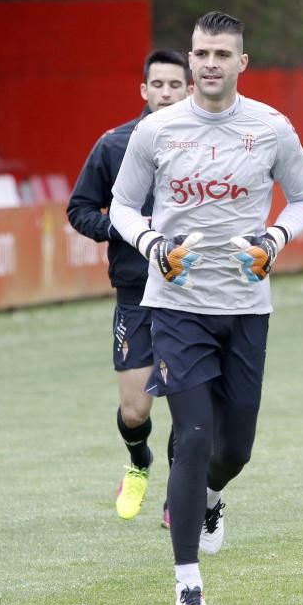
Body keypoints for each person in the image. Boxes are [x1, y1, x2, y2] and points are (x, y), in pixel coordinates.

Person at [109, 11, 303, 605]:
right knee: (193, 436)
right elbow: (122, 206)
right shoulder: (159, 130)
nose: (208, 64)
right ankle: (187, 583)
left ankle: (208, 501)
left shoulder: (271, 127)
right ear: (191, 58)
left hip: (247, 307)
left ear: (241, 63)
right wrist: (152, 247)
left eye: (222, 55)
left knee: (235, 451)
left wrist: (274, 240)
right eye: (201, 53)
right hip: (175, 305)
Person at [67, 49, 191, 525]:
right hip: (135, 294)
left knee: (186, 402)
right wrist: (124, 228)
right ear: (143, 90)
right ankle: (139, 461)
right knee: (136, 410)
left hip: (188, 292)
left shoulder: (207, 146)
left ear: (188, 89)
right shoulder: (115, 145)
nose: (165, 93)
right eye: (157, 85)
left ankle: (178, 495)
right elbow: (79, 209)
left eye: (174, 85)